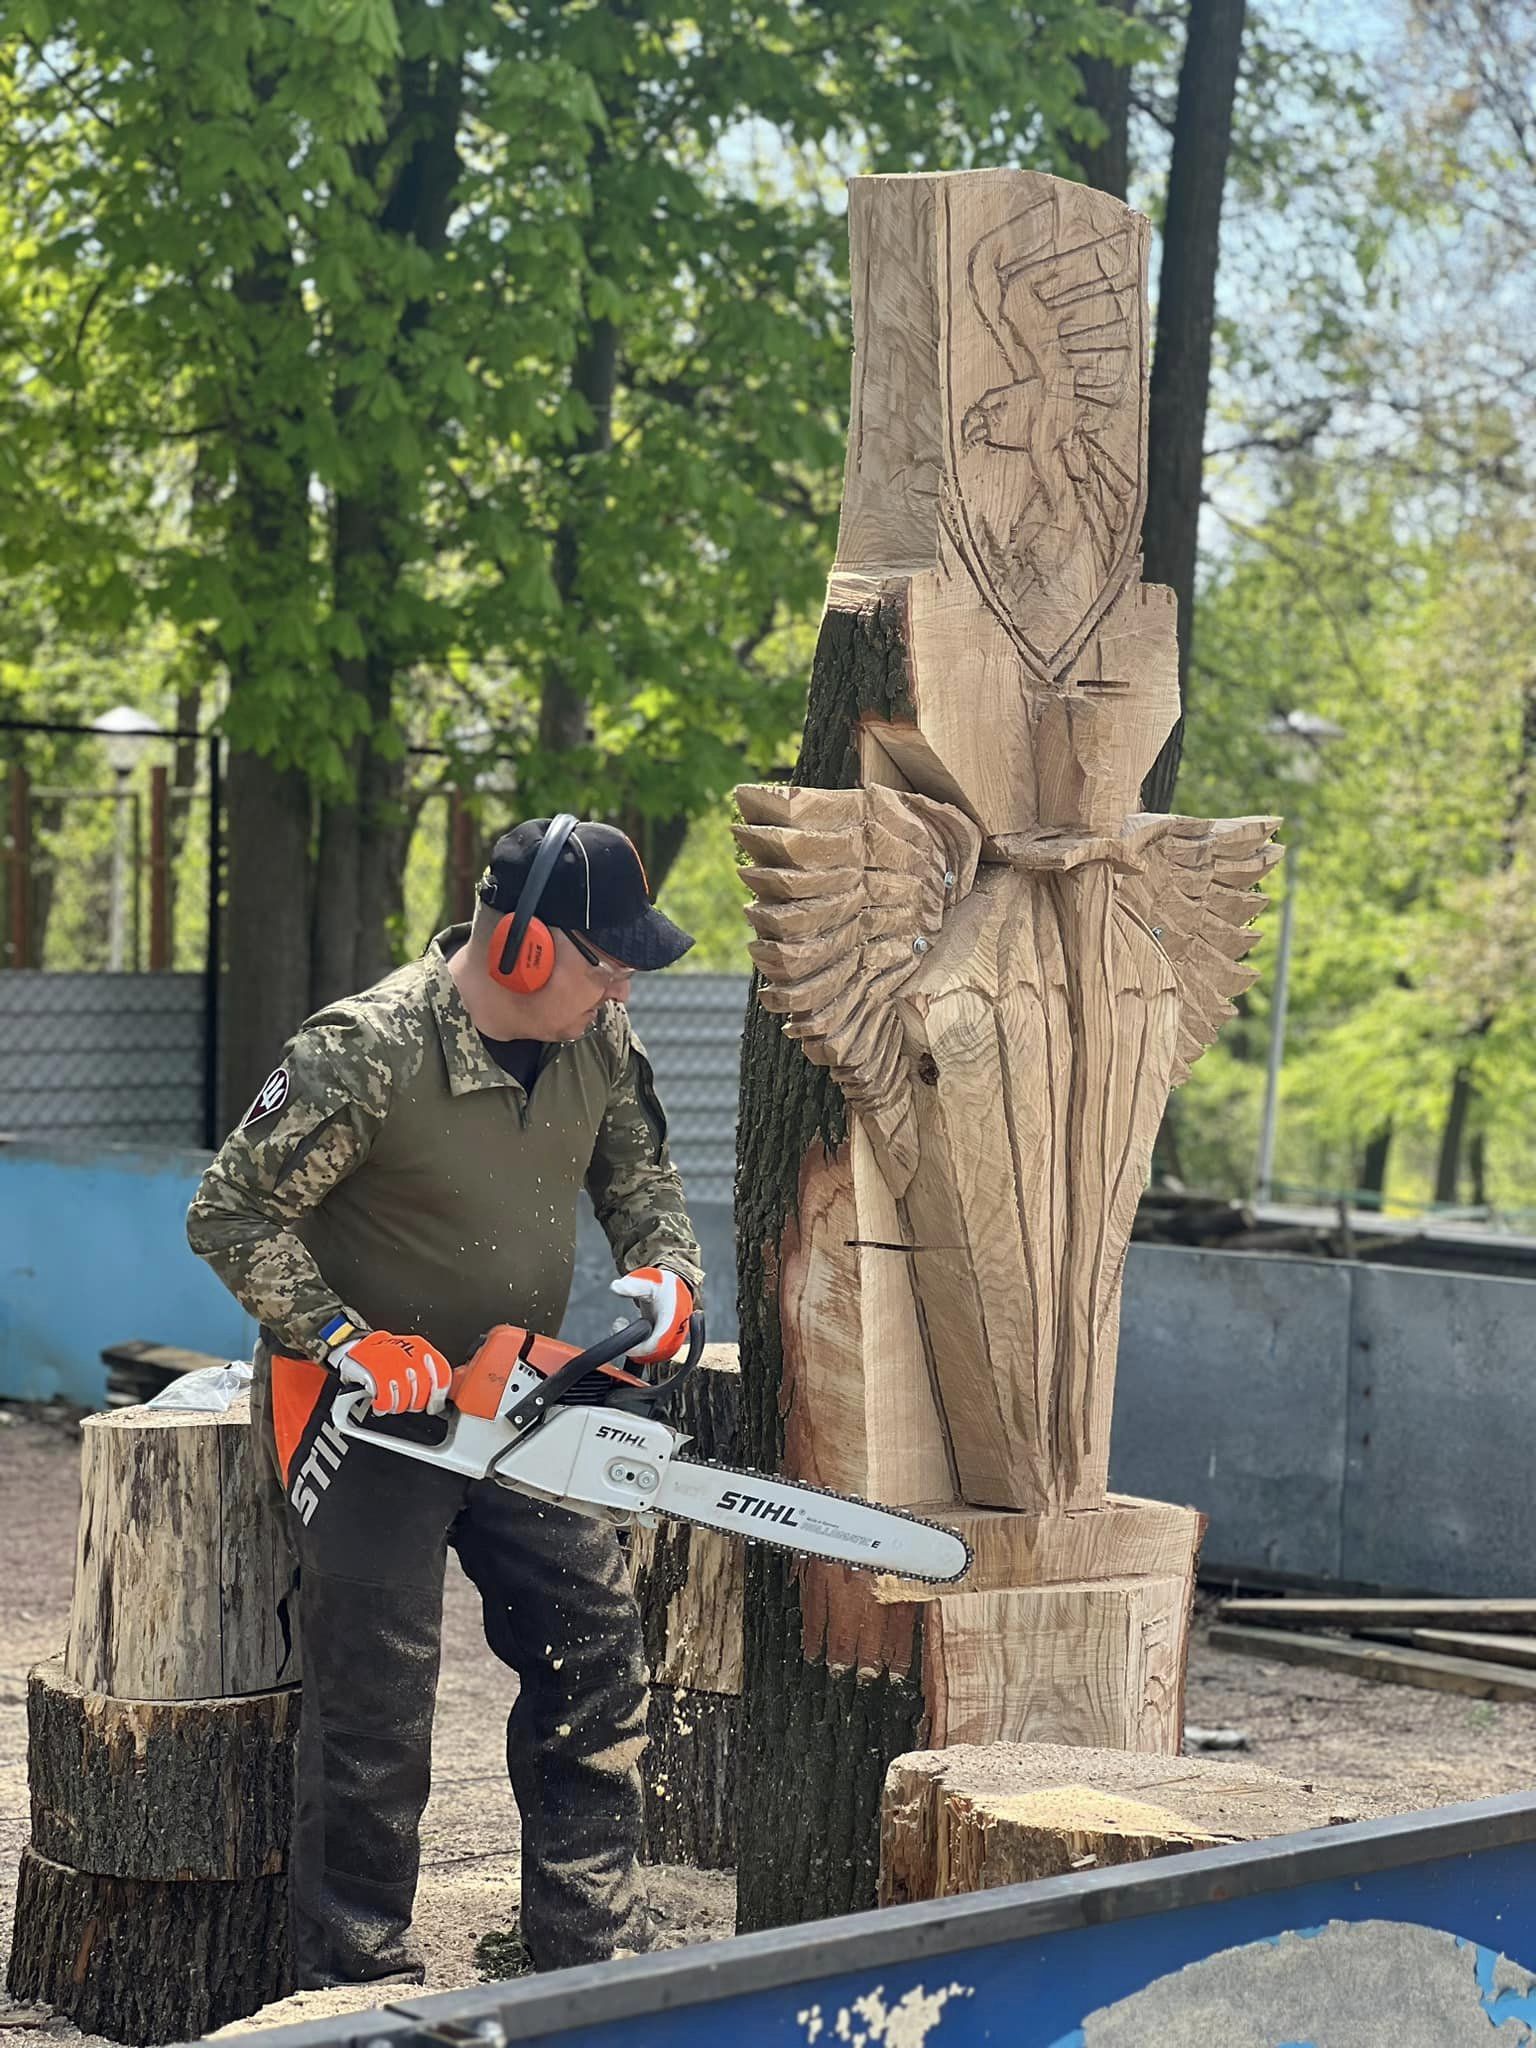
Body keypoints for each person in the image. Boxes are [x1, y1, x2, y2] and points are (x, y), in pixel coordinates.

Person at [186, 815, 703, 1989]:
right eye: (607, 961)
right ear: (523, 947)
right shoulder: (366, 1048)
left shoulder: (597, 1038)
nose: (623, 985)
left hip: (519, 1394)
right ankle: (355, 1981)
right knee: (376, 1709)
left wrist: (668, 1273)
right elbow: (229, 1212)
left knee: (594, 1651)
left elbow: (642, 1180)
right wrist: (347, 1339)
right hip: (363, 1412)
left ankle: (584, 1956)